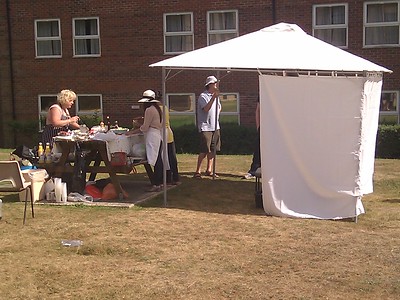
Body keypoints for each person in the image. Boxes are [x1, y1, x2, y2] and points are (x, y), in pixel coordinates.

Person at [132, 90, 164, 192]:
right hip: (158, 134)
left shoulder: (149, 110)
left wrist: (134, 130)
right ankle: (159, 182)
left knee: (154, 160)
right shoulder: (157, 109)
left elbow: (145, 127)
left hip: (152, 135)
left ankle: (156, 184)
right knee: (158, 159)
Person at [193, 75, 221, 179]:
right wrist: (213, 98)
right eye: (214, 83)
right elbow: (206, 109)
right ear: (209, 85)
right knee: (204, 150)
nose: (216, 85)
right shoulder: (203, 96)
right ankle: (197, 171)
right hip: (205, 127)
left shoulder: (216, 96)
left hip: (215, 126)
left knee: (213, 150)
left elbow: (219, 108)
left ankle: (209, 169)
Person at [156, 93, 180, 185]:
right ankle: (176, 177)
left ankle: (167, 178)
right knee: (171, 157)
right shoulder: (165, 107)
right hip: (169, 133)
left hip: (162, 134)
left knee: (164, 158)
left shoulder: (158, 109)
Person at [243, 96, 261, 179]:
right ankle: (254, 170)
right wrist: (258, 126)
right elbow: (258, 110)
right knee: (258, 149)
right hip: (262, 127)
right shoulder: (262, 92)